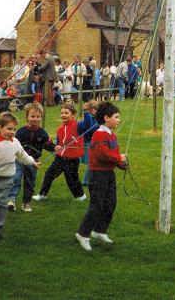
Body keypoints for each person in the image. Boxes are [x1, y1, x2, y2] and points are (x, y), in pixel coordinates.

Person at [0, 113, 40, 241]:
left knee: (0, 202)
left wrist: (32, 162)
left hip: (7, 178)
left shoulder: (15, 142)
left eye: (14, 129)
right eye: (9, 129)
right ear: (0, 127)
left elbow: (22, 155)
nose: (12, 132)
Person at [75, 102, 128, 251]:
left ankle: (99, 231)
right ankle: (83, 234)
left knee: (111, 203)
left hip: (109, 174)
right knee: (96, 206)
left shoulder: (112, 135)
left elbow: (113, 155)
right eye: (116, 117)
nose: (119, 120)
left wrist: (121, 164)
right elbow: (103, 154)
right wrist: (120, 158)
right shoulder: (99, 134)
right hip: (98, 175)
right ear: (106, 118)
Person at [32, 103, 86, 202]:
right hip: (60, 158)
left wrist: (86, 111)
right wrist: (57, 147)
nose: (63, 115)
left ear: (73, 115)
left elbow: (87, 124)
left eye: (66, 113)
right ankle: (42, 194)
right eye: (62, 113)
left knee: (72, 179)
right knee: (49, 174)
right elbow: (60, 142)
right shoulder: (60, 129)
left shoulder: (78, 126)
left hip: (72, 160)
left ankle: (80, 196)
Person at [7, 102, 54, 212]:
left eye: (38, 116)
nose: (35, 119)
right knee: (15, 179)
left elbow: (48, 145)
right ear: (26, 117)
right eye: (32, 116)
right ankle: (11, 200)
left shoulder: (42, 133)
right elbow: (14, 145)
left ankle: (26, 202)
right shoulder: (21, 132)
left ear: (41, 118)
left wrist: (55, 147)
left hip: (34, 162)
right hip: (18, 160)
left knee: (30, 183)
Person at [78, 101, 100, 187]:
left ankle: (86, 181)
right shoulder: (89, 118)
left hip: (91, 143)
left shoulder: (95, 118)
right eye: (97, 111)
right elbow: (89, 126)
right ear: (93, 110)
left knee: (92, 162)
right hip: (85, 143)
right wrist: (85, 112)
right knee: (77, 161)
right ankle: (82, 180)